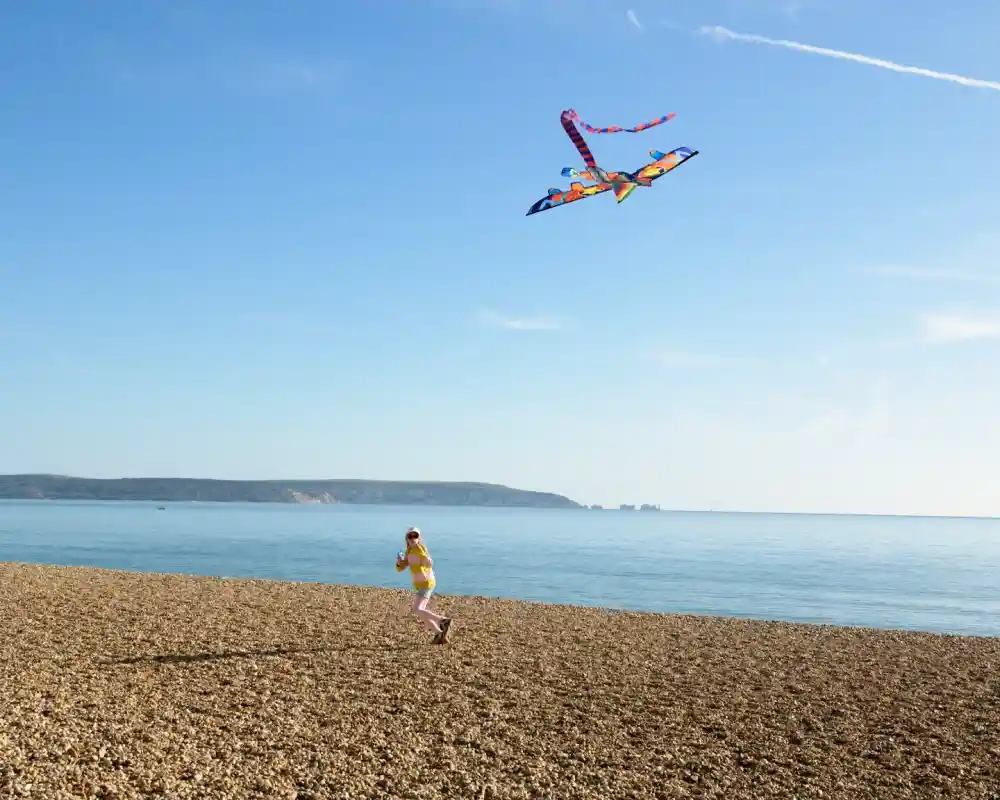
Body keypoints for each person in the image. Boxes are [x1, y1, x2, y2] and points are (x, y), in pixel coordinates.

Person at [395, 526, 452, 644]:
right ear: (406, 538)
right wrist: (399, 562)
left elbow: (428, 562)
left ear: (419, 538)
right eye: (409, 536)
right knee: (420, 610)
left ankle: (442, 621)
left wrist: (428, 561)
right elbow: (401, 568)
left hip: (426, 583)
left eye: (415, 536)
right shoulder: (409, 551)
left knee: (418, 609)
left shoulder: (420, 549)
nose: (412, 538)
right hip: (420, 584)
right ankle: (439, 634)